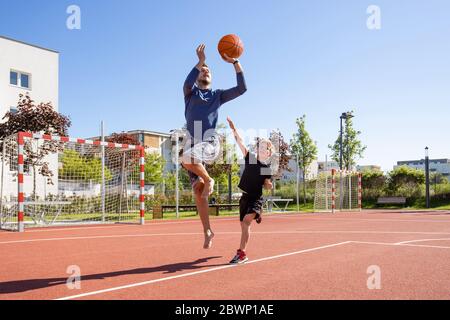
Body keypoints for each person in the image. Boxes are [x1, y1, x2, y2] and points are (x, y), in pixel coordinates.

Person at [181, 44, 247, 249]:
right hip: (192, 143)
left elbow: (241, 89)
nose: (205, 70)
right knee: (198, 190)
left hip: (209, 142)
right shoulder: (189, 94)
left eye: (208, 69)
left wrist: (235, 62)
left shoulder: (217, 95)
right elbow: (186, 83)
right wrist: (200, 61)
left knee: (187, 159)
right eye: (202, 69)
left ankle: (209, 179)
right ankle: (208, 231)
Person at [227, 117, 273, 264]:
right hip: (244, 197)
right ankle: (257, 216)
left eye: (265, 147)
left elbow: (266, 184)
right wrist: (233, 128)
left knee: (246, 222)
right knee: (243, 225)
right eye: (260, 146)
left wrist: (269, 186)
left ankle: (242, 254)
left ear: (269, 153)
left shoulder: (267, 169)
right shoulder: (250, 158)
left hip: (256, 198)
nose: (261, 148)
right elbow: (239, 141)